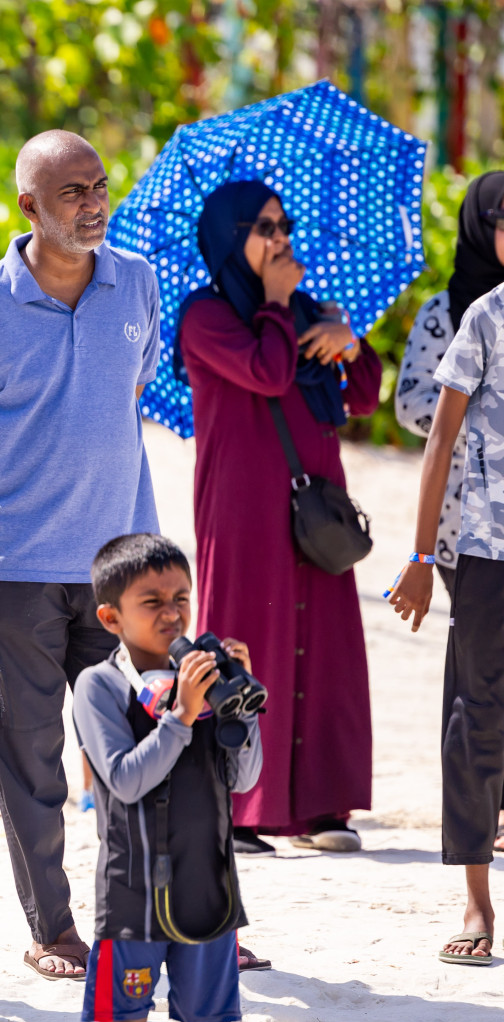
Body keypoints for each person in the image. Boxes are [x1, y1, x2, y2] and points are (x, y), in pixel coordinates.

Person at [0, 130, 160, 980]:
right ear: (28, 207)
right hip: (12, 573)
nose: (93, 203)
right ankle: (54, 927)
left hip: (122, 570)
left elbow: (126, 390)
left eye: (99, 187)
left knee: (141, 751)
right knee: (32, 767)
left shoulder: (137, 282)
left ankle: (147, 916)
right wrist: (5, 498)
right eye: (71, 192)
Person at [176, 180, 380, 857]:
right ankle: (240, 806)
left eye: (284, 223)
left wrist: (346, 341)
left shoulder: (306, 310)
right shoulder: (205, 317)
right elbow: (265, 373)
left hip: (315, 506)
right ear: (232, 238)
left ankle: (323, 804)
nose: (280, 237)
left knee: (325, 646)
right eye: (263, 226)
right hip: (242, 506)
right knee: (248, 638)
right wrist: (274, 305)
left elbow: (365, 395)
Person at [73, 533, 262, 1022]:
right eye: (151, 602)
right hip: (133, 896)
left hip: (208, 888)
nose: (172, 614)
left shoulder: (203, 680)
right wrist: (181, 716)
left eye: (182, 598)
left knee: (212, 1016)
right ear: (111, 617)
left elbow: (243, 779)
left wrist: (239, 707)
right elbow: (125, 780)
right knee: (119, 1014)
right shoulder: (101, 685)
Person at [387, 276, 504, 968]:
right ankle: (477, 898)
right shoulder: (487, 317)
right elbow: (441, 440)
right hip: (489, 553)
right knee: (474, 716)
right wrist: (423, 554)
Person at [394, 172, 504, 856]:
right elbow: (419, 414)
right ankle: (475, 861)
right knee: (476, 694)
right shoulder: (462, 314)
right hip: (473, 531)